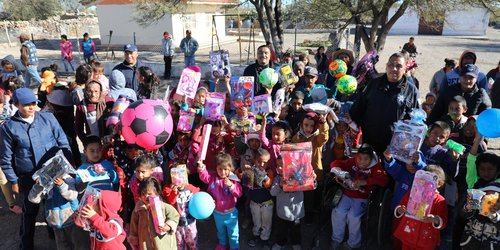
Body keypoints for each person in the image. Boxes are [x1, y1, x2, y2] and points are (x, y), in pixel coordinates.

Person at [0, 88, 71, 250]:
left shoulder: (47, 118)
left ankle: (53, 233)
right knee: (30, 210)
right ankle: (26, 243)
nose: (31, 107)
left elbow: (62, 141)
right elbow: (6, 158)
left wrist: (65, 163)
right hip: (29, 176)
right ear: (16, 104)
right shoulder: (9, 127)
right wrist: (13, 180)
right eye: (26, 105)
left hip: (53, 171)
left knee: (53, 203)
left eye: (33, 103)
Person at [350, 52, 420, 156]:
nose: (394, 69)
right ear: (387, 66)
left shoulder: (411, 90)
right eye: (391, 65)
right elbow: (360, 106)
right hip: (370, 139)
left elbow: (414, 118)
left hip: (394, 144)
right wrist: (353, 123)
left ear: (405, 68)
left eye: (399, 66)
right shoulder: (373, 83)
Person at [330, 144, 389, 250]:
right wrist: (338, 170)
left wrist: (366, 181)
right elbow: (336, 163)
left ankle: (353, 243)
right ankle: (336, 239)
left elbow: (384, 180)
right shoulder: (353, 161)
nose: (361, 162)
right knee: (338, 212)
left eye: (366, 159)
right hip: (348, 193)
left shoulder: (376, 167)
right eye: (359, 158)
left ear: (371, 159)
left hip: (362, 197)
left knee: (353, 217)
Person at [394, 165, 448, 250]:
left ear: (439, 184)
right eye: (424, 178)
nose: (426, 182)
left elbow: (443, 221)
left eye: (430, 180)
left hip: (426, 240)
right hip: (408, 234)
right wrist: (401, 209)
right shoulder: (412, 193)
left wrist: (435, 219)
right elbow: (399, 207)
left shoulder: (439, 200)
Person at [28, 173, 87, 250]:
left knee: (78, 243)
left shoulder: (68, 179)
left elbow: (72, 195)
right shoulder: (46, 183)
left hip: (72, 219)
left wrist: (62, 185)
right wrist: (38, 186)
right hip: (55, 221)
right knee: (62, 245)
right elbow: (33, 199)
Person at [197, 154, 243, 250]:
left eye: (225, 169)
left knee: (233, 233)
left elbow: (239, 193)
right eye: (220, 169)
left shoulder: (233, 179)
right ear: (216, 168)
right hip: (217, 212)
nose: (222, 172)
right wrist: (201, 167)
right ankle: (222, 244)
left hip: (231, 213)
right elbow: (204, 177)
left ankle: (234, 246)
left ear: (230, 168)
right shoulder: (213, 178)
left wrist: (231, 186)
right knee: (220, 231)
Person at [128, 177, 180, 250]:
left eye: (149, 194)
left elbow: (174, 216)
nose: (146, 196)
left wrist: (168, 226)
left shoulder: (162, 205)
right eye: (143, 194)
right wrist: (134, 241)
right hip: (145, 244)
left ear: (156, 193)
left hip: (163, 243)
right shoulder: (138, 210)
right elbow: (133, 226)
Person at [162, 176, 200, 250]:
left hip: (190, 220)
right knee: (179, 242)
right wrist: (174, 192)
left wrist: (208, 200)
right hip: (177, 222)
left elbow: (198, 194)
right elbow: (171, 202)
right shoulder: (168, 188)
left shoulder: (189, 187)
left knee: (192, 239)